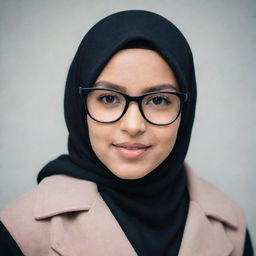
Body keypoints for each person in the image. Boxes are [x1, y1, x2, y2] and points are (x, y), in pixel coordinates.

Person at [0, 10, 253, 256]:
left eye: (159, 100)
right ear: (78, 106)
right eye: (109, 98)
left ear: (185, 110)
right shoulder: (17, 232)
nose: (133, 126)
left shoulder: (231, 228)